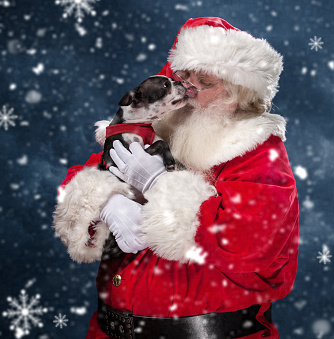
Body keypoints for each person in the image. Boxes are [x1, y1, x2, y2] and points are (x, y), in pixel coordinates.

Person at [53, 17, 299, 339]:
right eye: (182, 76)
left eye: (205, 81)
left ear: (237, 95)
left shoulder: (258, 153)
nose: (188, 87)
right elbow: (77, 182)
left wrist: (161, 184)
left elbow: (247, 240)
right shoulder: (154, 131)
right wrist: (107, 202)